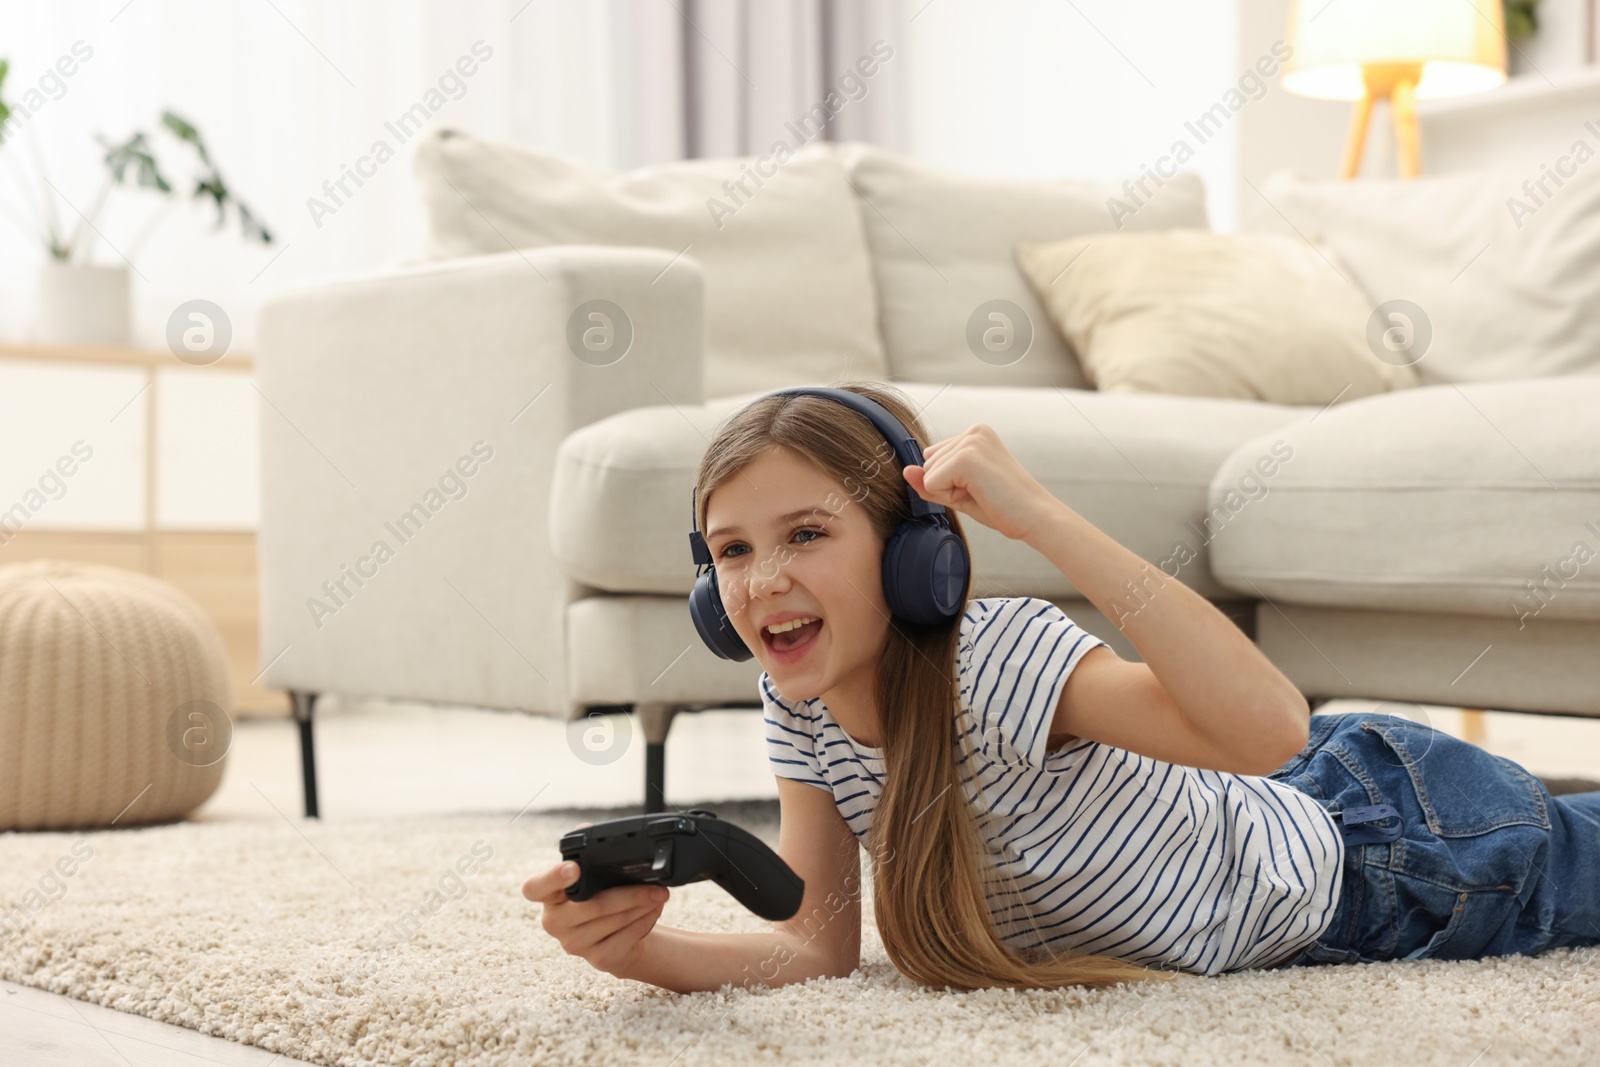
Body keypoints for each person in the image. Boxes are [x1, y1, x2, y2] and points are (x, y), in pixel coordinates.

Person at [522, 381, 1600, 993]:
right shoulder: (799, 710)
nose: (764, 581)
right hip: (1320, 835)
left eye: (807, 533)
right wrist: (640, 948)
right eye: (732, 551)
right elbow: (816, 943)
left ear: (912, 558)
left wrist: (1038, 513)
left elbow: (1270, 727)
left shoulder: (993, 660)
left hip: (1390, 847)